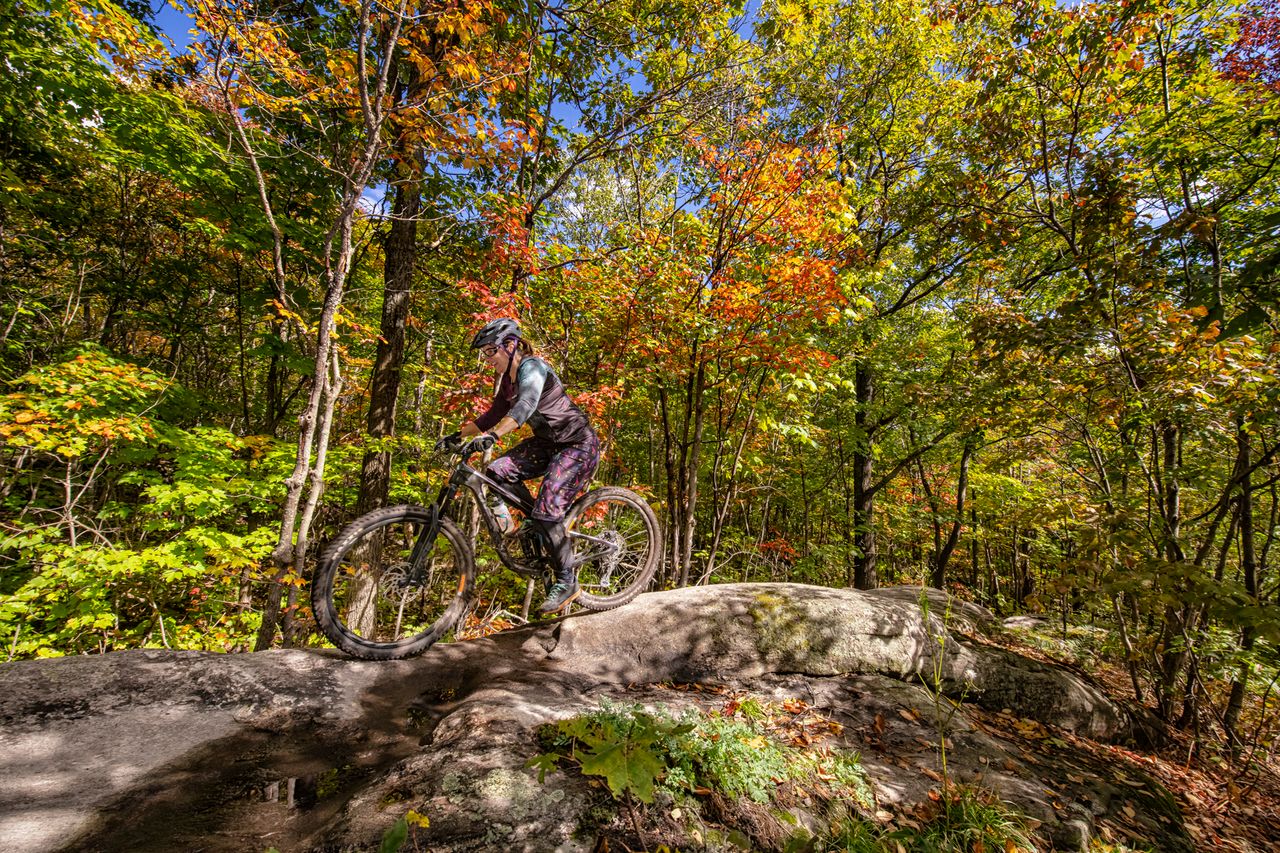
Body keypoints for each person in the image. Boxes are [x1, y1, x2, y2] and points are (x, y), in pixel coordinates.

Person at [437, 318, 601, 614]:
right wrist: (457, 434)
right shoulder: (507, 381)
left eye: (490, 351)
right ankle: (537, 523)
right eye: (485, 353)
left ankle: (567, 580)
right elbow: (492, 414)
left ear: (510, 345)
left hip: (577, 444)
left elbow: (524, 407)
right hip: (548, 443)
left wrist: (494, 436)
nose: (488, 360)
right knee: (497, 471)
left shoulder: (533, 368)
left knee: (548, 510)